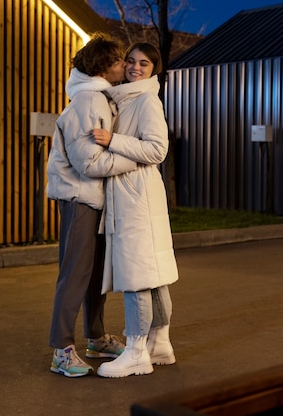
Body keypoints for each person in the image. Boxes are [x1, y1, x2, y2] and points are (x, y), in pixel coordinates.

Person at [46, 33, 138, 378]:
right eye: (119, 62)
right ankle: (61, 349)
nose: (125, 67)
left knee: (95, 273)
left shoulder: (100, 98)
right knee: (75, 273)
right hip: (80, 197)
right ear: (103, 66)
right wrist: (136, 158)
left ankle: (96, 338)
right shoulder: (89, 103)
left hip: (94, 198)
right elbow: (90, 163)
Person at [90, 43, 179, 378]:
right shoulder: (129, 97)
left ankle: (136, 352)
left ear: (153, 69)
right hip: (138, 194)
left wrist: (112, 141)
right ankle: (160, 344)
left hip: (136, 197)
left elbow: (158, 148)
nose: (135, 67)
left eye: (144, 63)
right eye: (131, 61)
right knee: (152, 275)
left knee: (137, 275)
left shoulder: (145, 100)